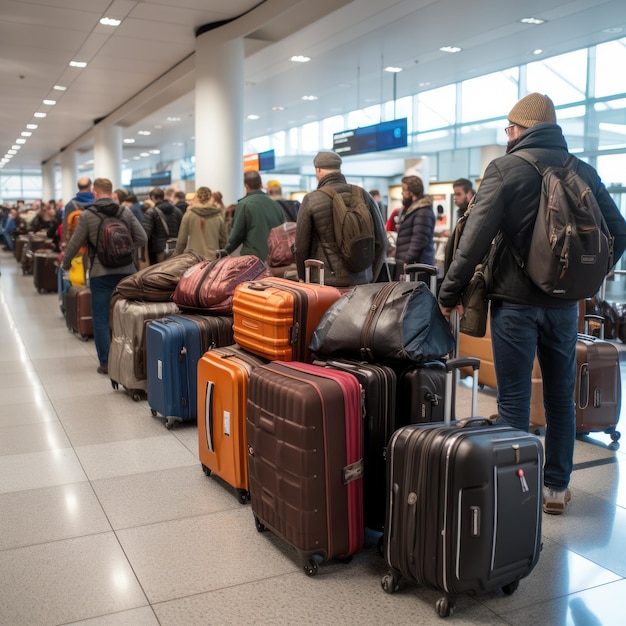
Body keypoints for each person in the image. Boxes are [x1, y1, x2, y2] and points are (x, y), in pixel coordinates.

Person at [438, 93, 626, 515]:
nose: (508, 136)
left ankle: (513, 493)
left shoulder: (506, 169)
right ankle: (555, 489)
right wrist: (584, 279)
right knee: (561, 398)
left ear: (520, 128)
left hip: (515, 305)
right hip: (564, 307)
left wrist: (447, 296)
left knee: (514, 402)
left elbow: (472, 243)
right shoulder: (584, 171)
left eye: (509, 129)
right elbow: (620, 231)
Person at [61, 177, 147, 375]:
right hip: (127, 271)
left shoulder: (87, 215)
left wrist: (65, 264)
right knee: (129, 314)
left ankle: (107, 363)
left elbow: (75, 243)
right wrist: (125, 251)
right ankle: (132, 359)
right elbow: (142, 237)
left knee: (99, 317)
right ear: (112, 191)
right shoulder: (124, 211)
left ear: (95, 193)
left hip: (101, 272)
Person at [294, 151, 386, 286]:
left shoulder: (311, 199)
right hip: (362, 282)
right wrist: (371, 275)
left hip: (324, 282)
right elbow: (382, 242)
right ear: (339, 169)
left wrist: (302, 277)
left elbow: (301, 246)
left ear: (318, 170)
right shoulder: (364, 195)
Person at [224, 171, 284, 262]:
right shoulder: (275, 205)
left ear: (246, 186)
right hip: (274, 259)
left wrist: (225, 250)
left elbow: (237, 233)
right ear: (260, 185)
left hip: (253, 260)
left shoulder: (244, 204)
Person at [393, 175, 435, 280]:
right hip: (410, 264)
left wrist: (408, 260)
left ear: (411, 192)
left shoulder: (422, 211)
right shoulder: (412, 210)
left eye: (404, 190)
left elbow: (419, 239)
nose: (402, 193)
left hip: (416, 266)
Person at [174, 186, 228, 259]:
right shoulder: (218, 216)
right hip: (213, 258)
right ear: (210, 197)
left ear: (197, 197)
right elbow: (223, 240)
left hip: (194, 258)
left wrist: (175, 256)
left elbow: (182, 241)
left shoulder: (189, 215)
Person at [143, 187, 183, 264]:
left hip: (160, 250)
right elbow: (182, 229)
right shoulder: (177, 211)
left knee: (161, 273)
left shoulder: (151, 212)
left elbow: (146, 234)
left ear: (152, 197)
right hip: (176, 248)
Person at [61, 177, 94, 250]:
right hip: (94, 244)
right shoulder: (98, 202)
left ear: (78, 187)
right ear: (90, 186)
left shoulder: (70, 205)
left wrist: (64, 244)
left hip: (76, 245)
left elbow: (66, 227)